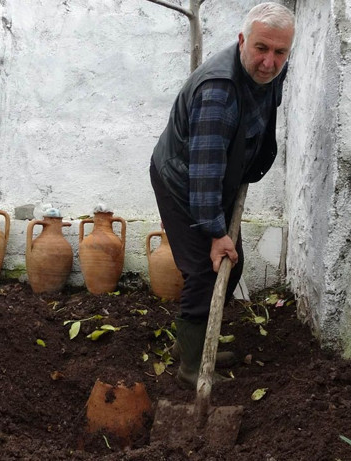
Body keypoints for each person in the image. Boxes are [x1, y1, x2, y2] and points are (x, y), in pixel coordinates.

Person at [149, 2, 295, 389]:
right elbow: (204, 172)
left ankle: (191, 343)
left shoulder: (268, 71)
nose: (269, 62)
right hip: (184, 178)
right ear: (242, 40)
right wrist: (215, 232)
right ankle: (192, 366)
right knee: (206, 268)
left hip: (220, 173)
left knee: (234, 264)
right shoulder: (219, 91)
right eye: (261, 48)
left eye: (280, 52)